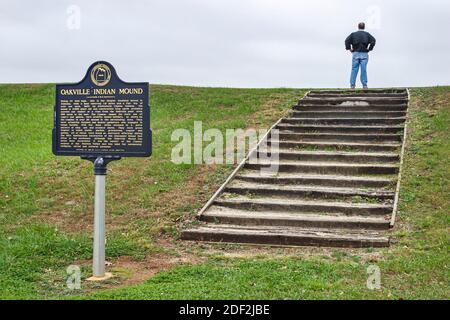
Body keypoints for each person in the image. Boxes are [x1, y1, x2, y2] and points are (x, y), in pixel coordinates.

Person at [345, 22, 376, 89]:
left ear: (358, 27)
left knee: (354, 70)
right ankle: (364, 85)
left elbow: (346, 40)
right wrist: (369, 48)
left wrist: (349, 48)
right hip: (364, 54)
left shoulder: (353, 34)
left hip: (355, 53)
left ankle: (352, 85)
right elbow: (373, 40)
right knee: (363, 70)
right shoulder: (367, 34)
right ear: (364, 27)